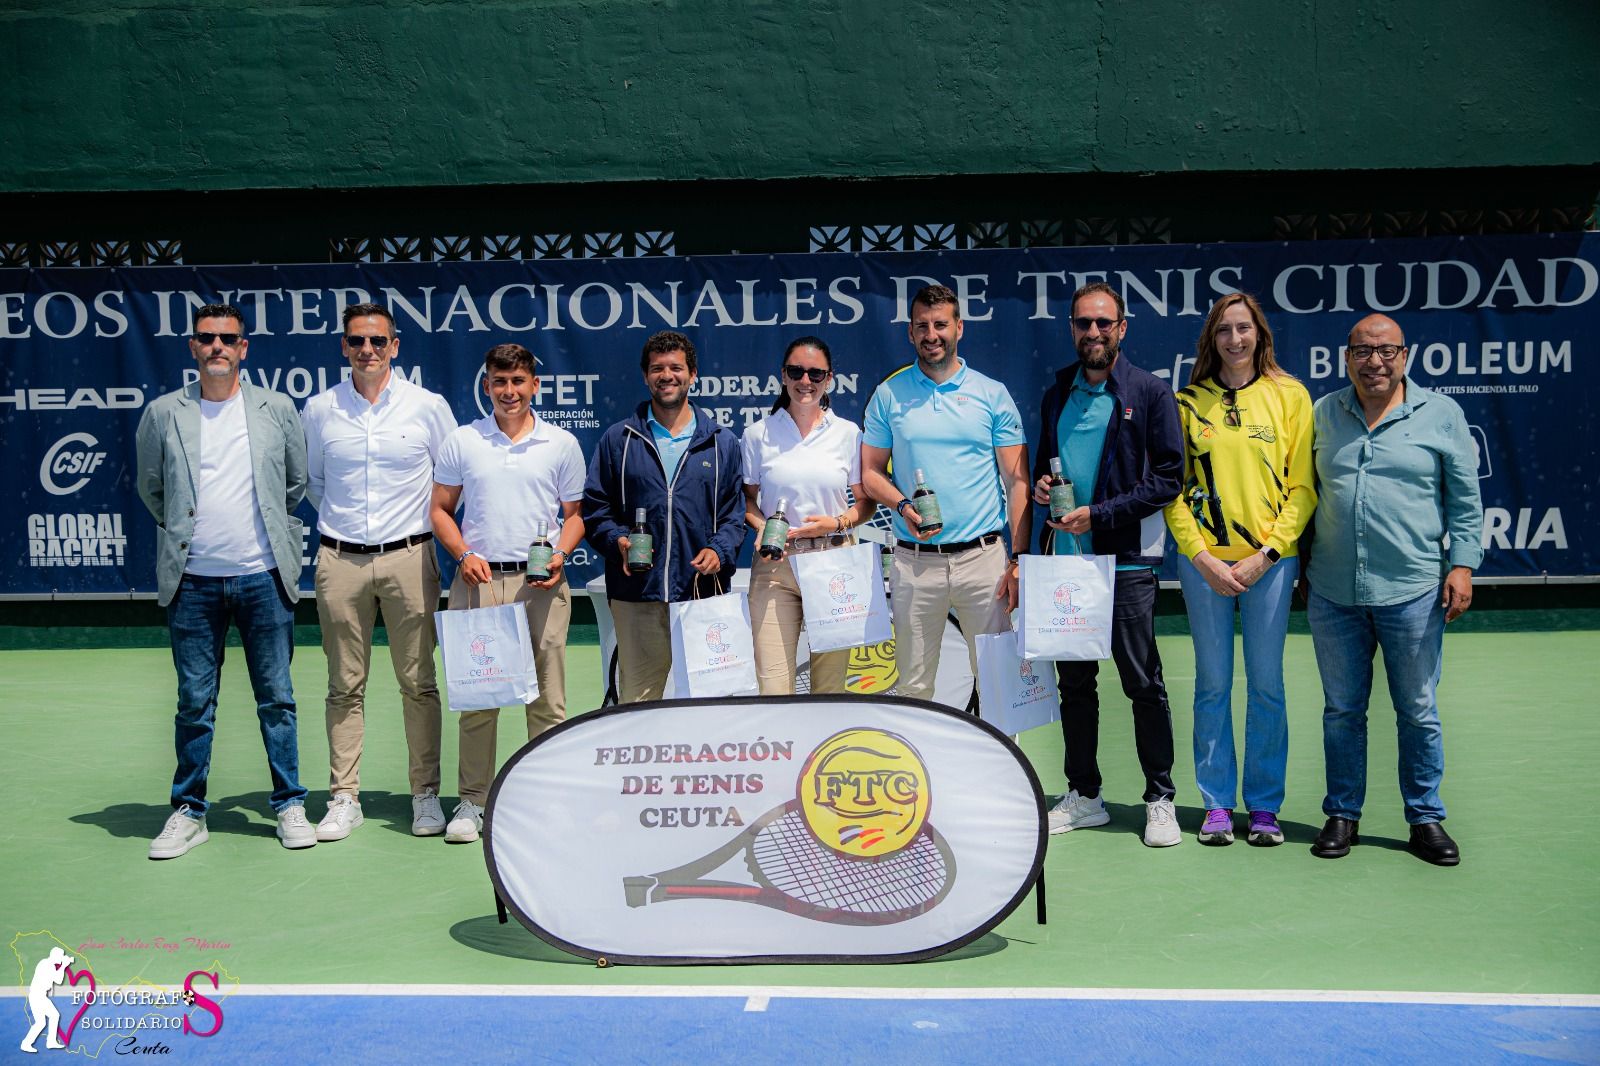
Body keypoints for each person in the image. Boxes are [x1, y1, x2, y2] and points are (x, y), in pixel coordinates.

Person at [135, 303, 313, 858]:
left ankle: (288, 804)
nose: (217, 347)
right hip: (192, 582)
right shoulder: (165, 413)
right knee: (194, 702)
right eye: (206, 338)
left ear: (244, 348)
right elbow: (151, 488)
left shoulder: (275, 408)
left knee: (277, 700)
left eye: (227, 339)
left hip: (263, 576)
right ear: (192, 347)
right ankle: (189, 812)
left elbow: (295, 482)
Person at [1306, 314, 1482, 867]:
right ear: (1347, 356)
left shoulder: (1441, 414)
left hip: (1413, 590)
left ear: (1404, 356)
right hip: (1334, 591)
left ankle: (1425, 818)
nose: (1374, 361)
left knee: (1418, 709)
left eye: (1386, 351)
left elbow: (1465, 499)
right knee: (1341, 711)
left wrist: (1463, 565)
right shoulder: (1322, 413)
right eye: (1362, 351)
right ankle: (1342, 814)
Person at [1033, 282, 1185, 847]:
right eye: (1083, 323)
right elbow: (1052, 469)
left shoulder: (1149, 393)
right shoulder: (1057, 394)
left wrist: (1098, 515)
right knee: (1075, 686)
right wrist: (1050, 490)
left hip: (1126, 564)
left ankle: (1161, 800)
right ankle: (1086, 795)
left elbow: (1168, 480)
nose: (1093, 333)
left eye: (1103, 323)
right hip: (1067, 566)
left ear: (1122, 328)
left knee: (1143, 684)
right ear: (1072, 328)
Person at [302, 302, 458, 842]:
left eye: (377, 341)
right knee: (343, 685)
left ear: (395, 346)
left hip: (410, 559)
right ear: (343, 347)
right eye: (355, 342)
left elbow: (449, 481)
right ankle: (344, 797)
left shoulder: (428, 406)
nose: (366, 350)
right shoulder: (320, 409)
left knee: (418, 683)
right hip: (339, 560)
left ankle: (425, 796)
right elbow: (315, 483)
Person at [1164, 293, 1316, 847]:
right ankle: (1217, 805)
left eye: (1243, 328)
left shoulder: (1290, 395)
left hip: (1270, 567)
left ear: (1260, 334)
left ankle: (1266, 807)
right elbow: (1172, 491)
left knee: (1267, 685)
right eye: (1224, 330)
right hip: (1204, 566)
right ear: (1212, 339)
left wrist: (1267, 555)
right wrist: (1201, 557)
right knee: (1211, 685)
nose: (1234, 339)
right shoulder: (1185, 403)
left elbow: (1302, 487)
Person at [429, 343, 586, 843]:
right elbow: (439, 511)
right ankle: (472, 803)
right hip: (477, 580)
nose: (509, 392)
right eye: (500, 382)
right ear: (487, 385)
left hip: (541, 581)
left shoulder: (560, 443)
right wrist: (462, 553)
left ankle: (543, 799)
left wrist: (560, 555)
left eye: (518, 382)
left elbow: (575, 516)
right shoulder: (462, 440)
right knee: (480, 699)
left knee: (547, 699)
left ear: (534, 385)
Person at [860, 284, 1031, 701]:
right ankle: (923, 768)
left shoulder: (992, 395)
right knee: (914, 687)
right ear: (910, 333)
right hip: (915, 563)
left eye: (940, 324)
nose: (931, 334)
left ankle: (998, 768)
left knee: (996, 684)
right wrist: (901, 504)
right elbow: (870, 473)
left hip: (984, 562)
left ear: (959, 327)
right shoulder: (888, 395)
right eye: (922, 326)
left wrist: (1019, 560)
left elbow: (1017, 482)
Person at [582, 330, 746, 703]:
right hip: (636, 595)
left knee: (709, 704)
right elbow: (595, 510)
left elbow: (734, 515)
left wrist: (719, 550)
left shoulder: (722, 442)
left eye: (676, 367)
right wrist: (618, 541)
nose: (666, 375)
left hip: (701, 595)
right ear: (645, 376)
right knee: (638, 705)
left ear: (693, 375)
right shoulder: (618, 439)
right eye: (657, 368)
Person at [741, 336, 875, 694]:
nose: (806, 381)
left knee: (830, 690)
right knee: (773, 688)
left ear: (829, 379)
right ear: (783, 376)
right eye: (796, 371)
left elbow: (866, 503)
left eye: (815, 374)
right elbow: (747, 501)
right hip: (775, 564)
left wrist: (838, 523)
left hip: (833, 561)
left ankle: (822, 752)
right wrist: (762, 525)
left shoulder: (848, 434)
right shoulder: (757, 434)